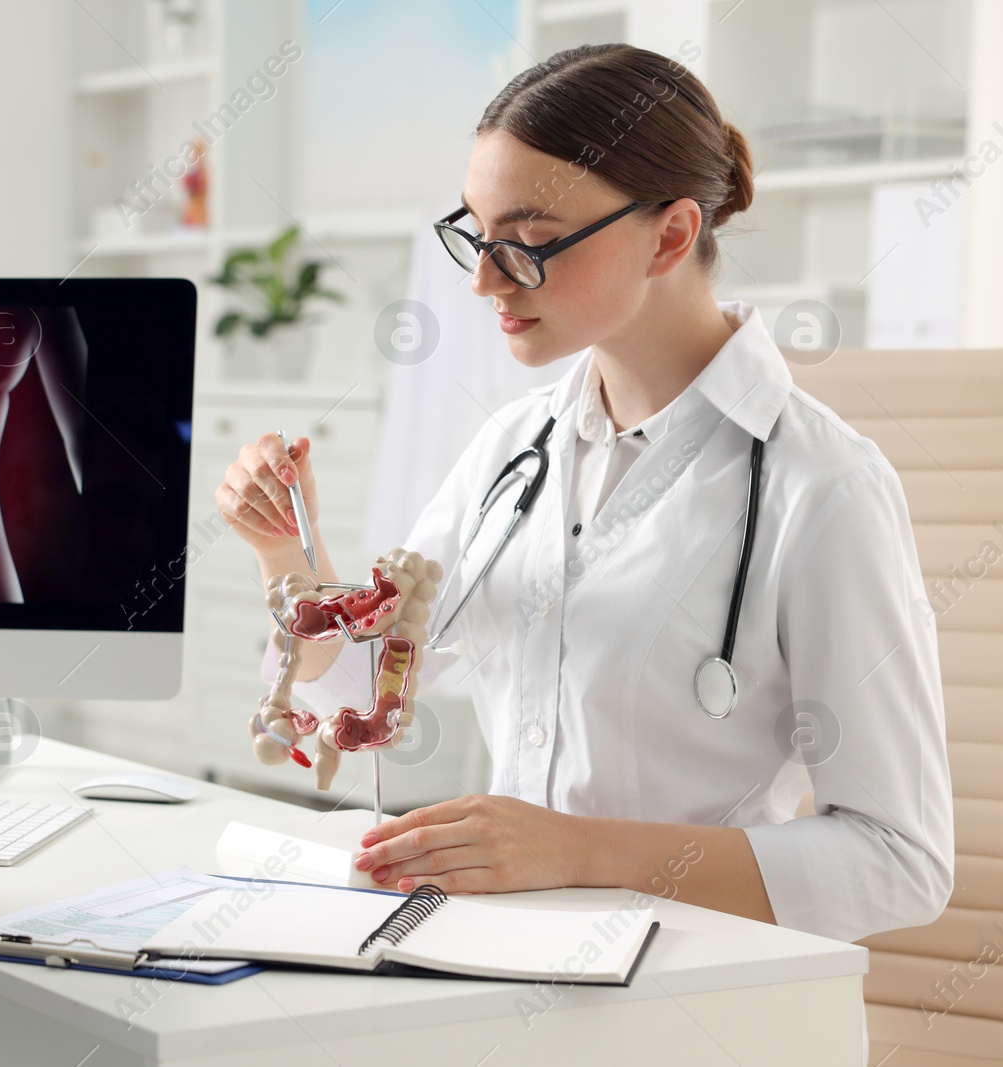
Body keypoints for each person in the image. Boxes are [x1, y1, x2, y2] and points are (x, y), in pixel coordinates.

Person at [218, 43, 952, 947]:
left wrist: (576, 849)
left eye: (525, 245)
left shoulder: (823, 487)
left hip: (701, 988)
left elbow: (898, 864)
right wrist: (286, 553)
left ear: (672, 235)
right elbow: (370, 699)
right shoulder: (512, 447)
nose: (484, 280)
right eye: (476, 236)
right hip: (507, 955)